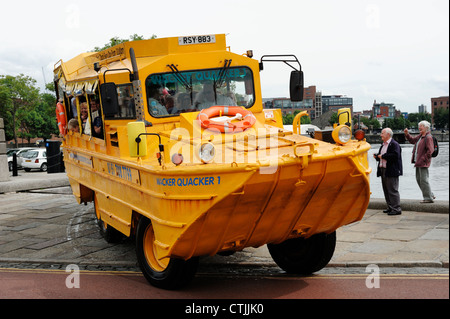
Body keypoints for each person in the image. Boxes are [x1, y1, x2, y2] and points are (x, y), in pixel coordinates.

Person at [404, 120, 435, 203]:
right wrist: (407, 134)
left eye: (421, 126)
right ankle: (430, 194)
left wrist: (423, 159)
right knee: (419, 180)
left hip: (423, 162)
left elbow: (430, 151)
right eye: (419, 126)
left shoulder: (428, 137)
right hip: (418, 162)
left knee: (424, 180)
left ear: (426, 127)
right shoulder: (421, 136)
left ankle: (428, 198)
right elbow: (413, 141)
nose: (419, 127)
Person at [374, 128, 402, 215]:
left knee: (392, 190)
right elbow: (383, 157)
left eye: (382, 133)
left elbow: (395, 155)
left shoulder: (394, 144)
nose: (381, 135)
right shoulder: (383, 145)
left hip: (391, 170)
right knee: (386, 189)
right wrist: (378, 157)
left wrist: (382, 156)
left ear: (388, 134)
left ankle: (396, 209)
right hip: (383, 169)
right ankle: (390, 207)